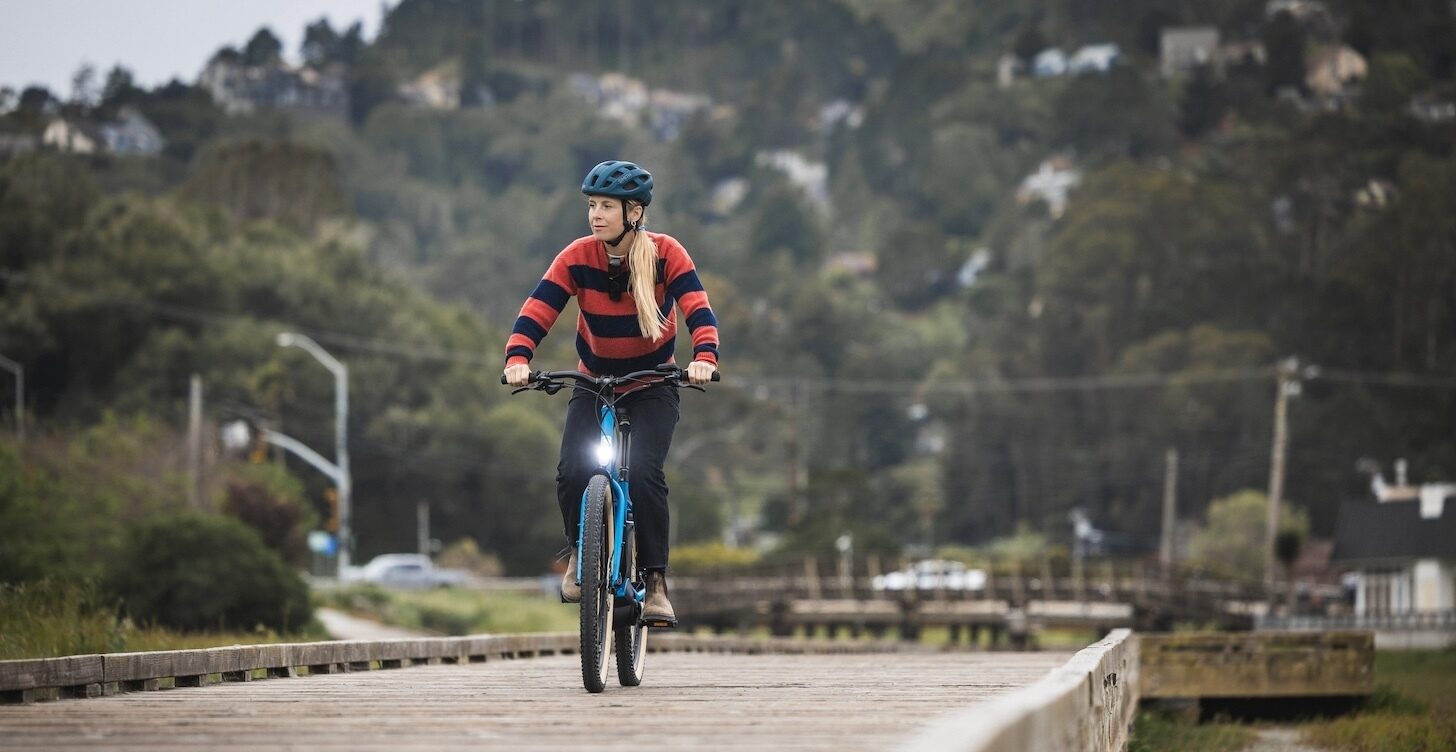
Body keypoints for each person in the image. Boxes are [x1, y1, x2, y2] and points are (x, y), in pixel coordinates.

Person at [503, 160, 719, 626]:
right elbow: (539, 308)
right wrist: (518, 358)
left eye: (607, 206)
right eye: (592, 205)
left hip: (654, 384)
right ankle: (582, 555)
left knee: (643, 472)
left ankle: (657, 583)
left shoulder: (666, 254)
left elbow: (698, 310)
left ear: (634, 212)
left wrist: (704, 358)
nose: (596, 215)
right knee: (570, 471)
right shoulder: (577, 257)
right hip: (594, 382)